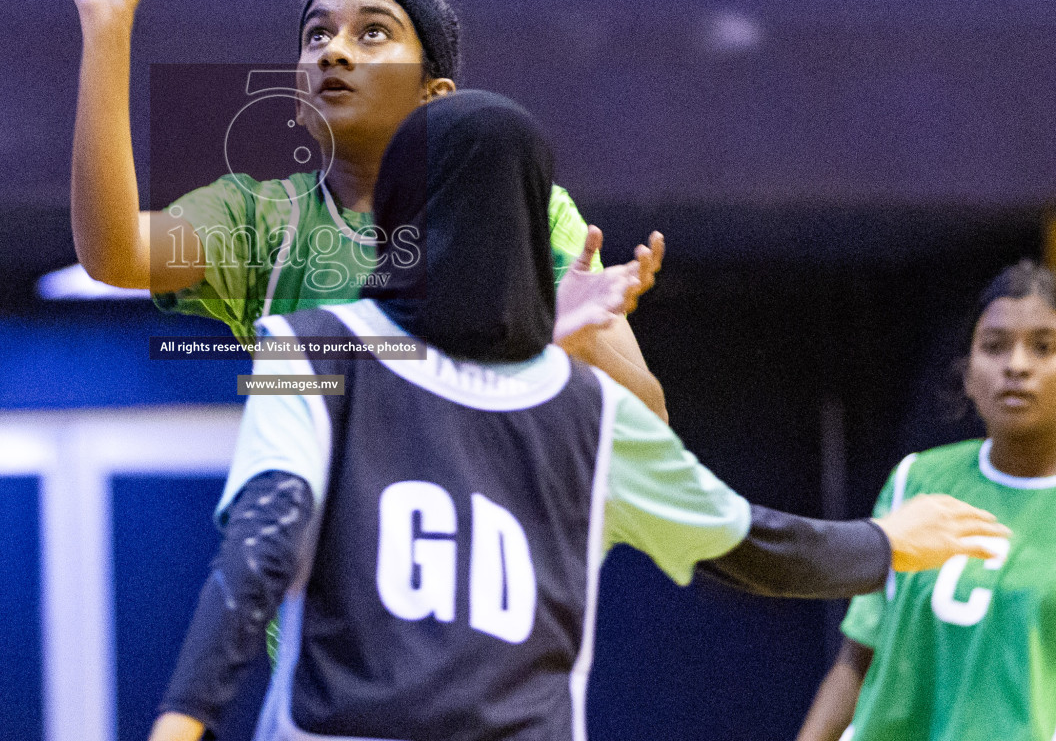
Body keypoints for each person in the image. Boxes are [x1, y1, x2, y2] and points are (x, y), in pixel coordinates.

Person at [145, 91, 1007, 741]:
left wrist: (180, 722)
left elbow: (258, 550)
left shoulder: (308, 346)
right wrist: (886, 543)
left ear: (399, 214)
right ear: (528, 223)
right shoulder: (586, 407)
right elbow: (751, 547)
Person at [34, 0, 669, 418]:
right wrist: (106, 23)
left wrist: (579, 346)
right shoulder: (257, 218)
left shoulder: (515, 208)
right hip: (324, 567)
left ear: (433, 96)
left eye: (372, 33)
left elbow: (652, 417)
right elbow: (113, 254)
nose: (334, 50)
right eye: (317, 35)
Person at [796, 260, 1056, 741]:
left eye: (1044, 347)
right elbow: (858, 655)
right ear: (968, 375)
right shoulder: (916, 480)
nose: (1017, 366)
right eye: (994, 347)